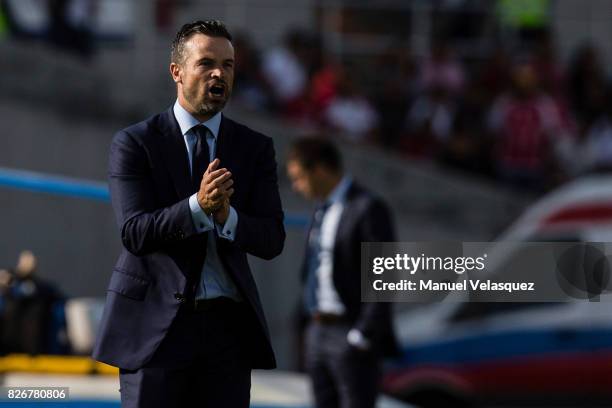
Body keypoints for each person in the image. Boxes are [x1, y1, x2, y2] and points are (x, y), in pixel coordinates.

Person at [92, 20, 285, 408]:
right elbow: (135, 232)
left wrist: (228, 218)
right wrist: (198, 207)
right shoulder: (135, 143)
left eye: (228, 65)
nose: (220, 73)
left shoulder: (255, 148)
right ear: (177, 72)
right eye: (207, 63)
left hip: (227, 335)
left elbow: (271, 239)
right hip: (154, 333)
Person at [286, 137, 398, 408]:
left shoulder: (367, 208)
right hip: (317, 332)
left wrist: (361, 335)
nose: (296, 187)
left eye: (300, 177)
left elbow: (383, 277)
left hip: (349, 333)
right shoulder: (321, 209)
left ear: (321, 169)